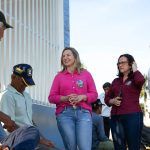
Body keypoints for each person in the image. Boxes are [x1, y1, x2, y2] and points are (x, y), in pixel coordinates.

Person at [0, 11, 40, 150]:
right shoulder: (7, 95)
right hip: (12, 136)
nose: (3, 35)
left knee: (32, 132)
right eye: (3, 29)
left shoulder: (27, 97)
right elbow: (8, 126)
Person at [48, 47, 98, 150]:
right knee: (71, 147)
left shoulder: (86, 74)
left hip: (83, 113)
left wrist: (82, 97)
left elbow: (94, 94)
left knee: (85, 147)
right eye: (63, 56)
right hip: (64, 114)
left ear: (75, 57)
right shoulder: (59, 76)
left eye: (68, 55)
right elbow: (51, 97)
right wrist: (65, 98)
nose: (65, 58)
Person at [0, 64, 55, 150]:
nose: (25, 86)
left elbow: (29, 121)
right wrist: (39, 139)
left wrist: (43, 138)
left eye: (27, 83)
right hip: (16, 140)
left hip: (31, 135)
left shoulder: (27, 96)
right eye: (23, 82)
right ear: (13, 77)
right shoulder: (7, 96)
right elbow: (9, 128)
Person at [105, 54, 145, 150]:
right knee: (118, 147)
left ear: (131, 64)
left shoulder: (135, 78)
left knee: (133, 145)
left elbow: (141, 81)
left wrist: (135, 69)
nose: (120, 65)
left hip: (133, 116)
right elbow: (107, 98)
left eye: (123, 62)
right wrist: (112, 100)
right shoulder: (115, 81)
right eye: (119, 63)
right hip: (116, 117)